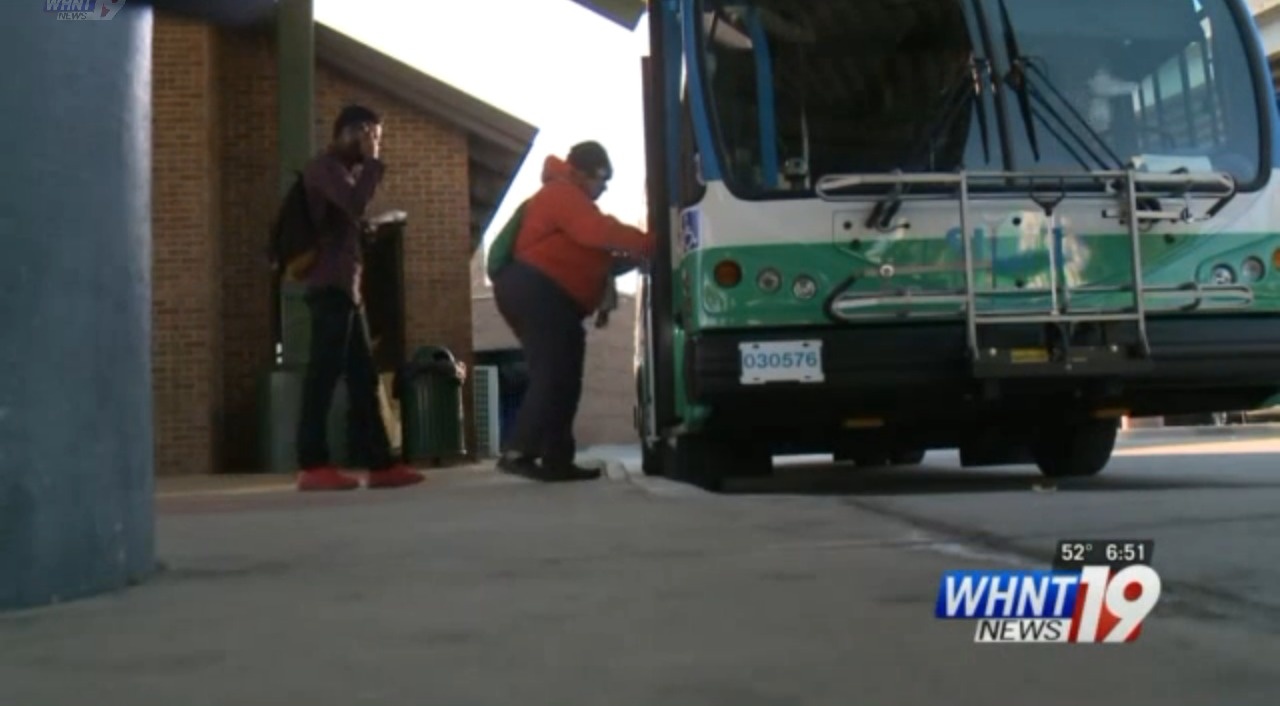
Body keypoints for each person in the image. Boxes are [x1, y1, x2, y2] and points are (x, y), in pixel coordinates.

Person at [491, 141, 654, 482]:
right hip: (536, 289)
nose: (605, 186)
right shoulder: (562, 193)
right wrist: (654, 241)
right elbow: (598, 232)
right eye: (602, 177)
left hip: (550, 297)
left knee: (565, 375)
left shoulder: (571, 202)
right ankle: (519, 450)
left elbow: (596, 257)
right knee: (552, 371)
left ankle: (556, 458)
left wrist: (633, 259)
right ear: (580, 171)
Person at [294, 104, 424, 492]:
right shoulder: (325, 168)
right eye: (372, 136)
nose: (374, 144)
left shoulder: (339, 173)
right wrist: (373, 163)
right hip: (330, 287)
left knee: (363, 378)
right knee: (323, 375)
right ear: (355, 132)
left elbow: (349, 217)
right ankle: (313, 464)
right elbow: (353, 204)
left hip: (346, 289)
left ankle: (380, 463)